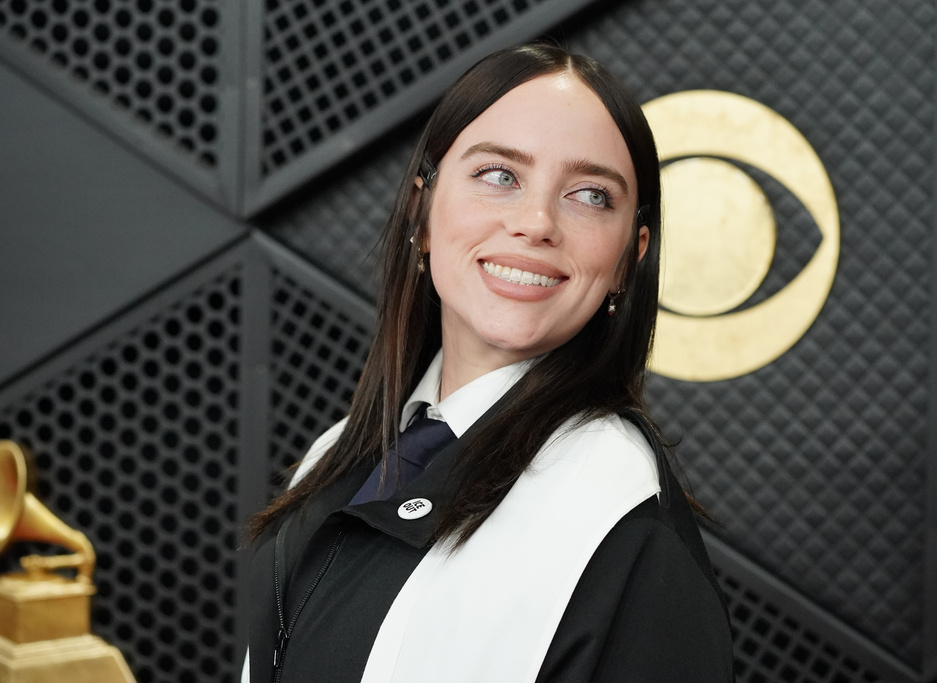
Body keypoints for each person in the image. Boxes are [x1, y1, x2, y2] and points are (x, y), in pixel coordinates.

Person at [243, 43, 734, 682]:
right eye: (500, 175)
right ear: (421, 207)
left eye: (589, 195)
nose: (536, 223)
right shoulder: (335, 457)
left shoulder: (621, 515)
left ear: (628, 258)